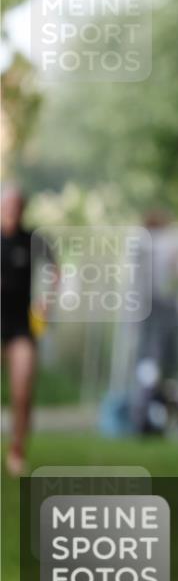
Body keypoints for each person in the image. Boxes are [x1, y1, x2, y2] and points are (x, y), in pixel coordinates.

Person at [1, 186, 56, 477]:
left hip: (21, 325)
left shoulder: (33, 240)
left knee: (22, 391)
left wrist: (46, 301)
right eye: (8, 205)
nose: (13, 210)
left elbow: (55, 270)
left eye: (18, 206)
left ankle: (17, 451)